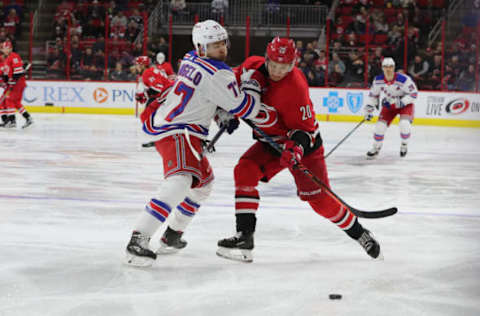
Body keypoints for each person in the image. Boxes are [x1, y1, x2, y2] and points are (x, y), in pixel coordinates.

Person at [216, 37, 381, 263]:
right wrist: (225, 111)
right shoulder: (251, 66)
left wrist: (295, 150)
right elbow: (228, 88)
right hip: (270, 143)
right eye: (273, 64)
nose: (276, 71)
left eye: (283, 67)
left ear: (293, 65)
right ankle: (245, 236)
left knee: (320, 202)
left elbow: (305, 131)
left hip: (304, 147)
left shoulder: (295, 86)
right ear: (266, 58)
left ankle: (360, 233)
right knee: (244, 170)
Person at [125, 20, 262, 267]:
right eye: (213, 45)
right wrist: (253, 86)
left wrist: (220, 113)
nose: (220, 49)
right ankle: (138, 240)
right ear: (201, 47)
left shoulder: (189, 57)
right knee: (180, 181)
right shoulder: (220, 73)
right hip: (179, 130)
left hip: (173, 124)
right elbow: (246, 108)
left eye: (222, 43)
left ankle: (172, 235)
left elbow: (204, 95)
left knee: (203, 184)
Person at [364, 57, 418, 158]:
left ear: (394, 67)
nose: (388, 69)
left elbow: (414, 94)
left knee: (404, 124)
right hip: (389, 104)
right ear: (382, 68)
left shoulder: (404, 79)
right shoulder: (378, 80)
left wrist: (401, 102)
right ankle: (376, 147)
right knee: (379, 127)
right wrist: (368, 110)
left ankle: (404, 145)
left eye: (390, 67)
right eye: (385, 67)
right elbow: (373, 96)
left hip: (405, 105)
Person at [0, 40, 32, 128]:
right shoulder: (7, 59)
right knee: (16, 102)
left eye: (7, 48)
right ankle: (28, 118)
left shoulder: (14, 56)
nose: (5, 50)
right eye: (4, 48)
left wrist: (12, 81)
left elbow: (17, 72)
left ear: (11, 48)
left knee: (8, 100)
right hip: (15, 83)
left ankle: (12, 121)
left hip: (18, 84)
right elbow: (8, 74)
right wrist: (8, 80)